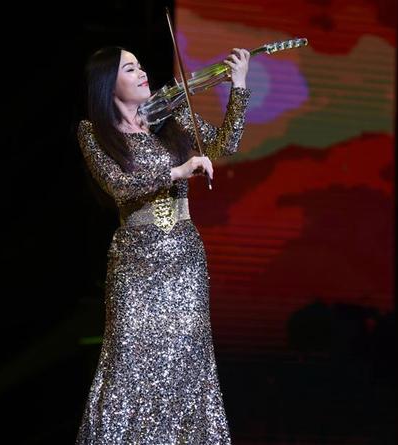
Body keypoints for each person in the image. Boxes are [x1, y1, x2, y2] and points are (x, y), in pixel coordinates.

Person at [75, 45, 250, 444]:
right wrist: (178, 170)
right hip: (136, 263)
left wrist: (238, 87)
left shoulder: (171, 114)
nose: (142, 73)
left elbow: (223, 145)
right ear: (108, 83)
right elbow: (119, 187)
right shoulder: (95, 132)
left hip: (185, 260)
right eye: (130, 68)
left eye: (141, 65)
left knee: (187, 365)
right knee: (129, 366)